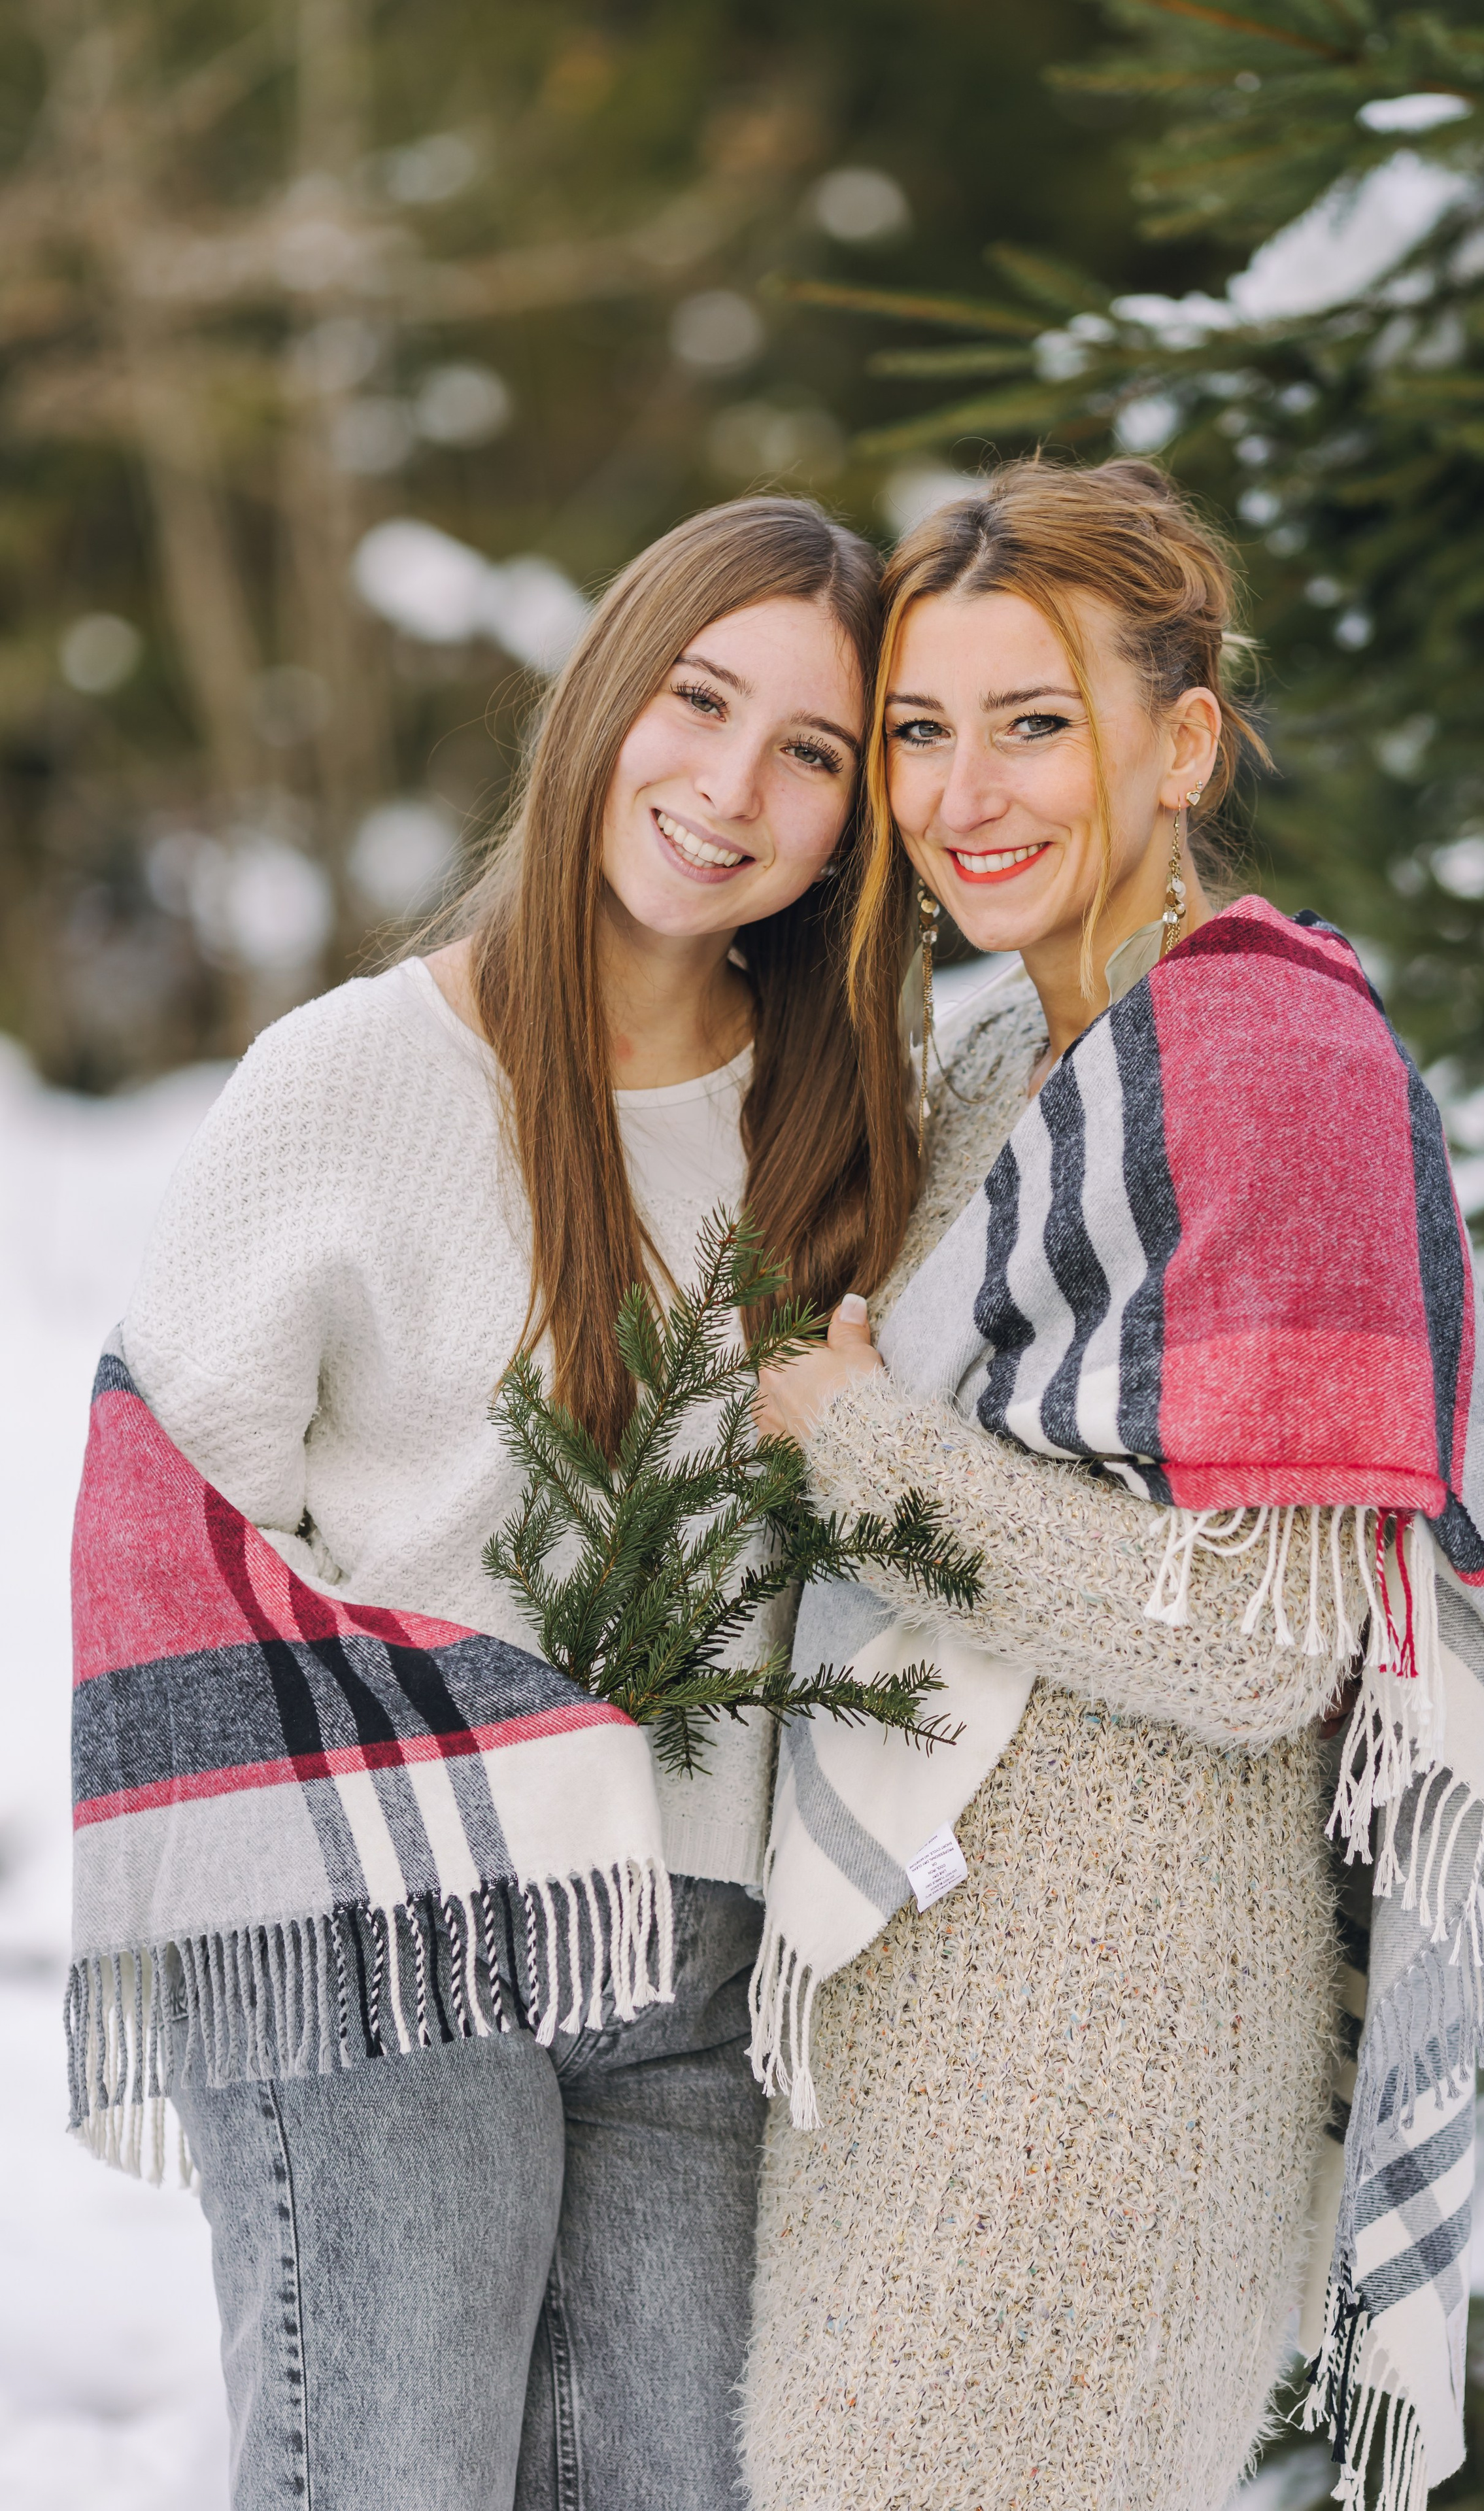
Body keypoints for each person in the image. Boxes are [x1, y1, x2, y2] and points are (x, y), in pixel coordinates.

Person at [76, 496, 914, 2511]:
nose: (732, 787)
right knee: (388, 2475)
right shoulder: (348, 1079)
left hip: (697, 1962)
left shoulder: (849, 1120)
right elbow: (165, 1526)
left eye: (810, 753)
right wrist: (464, 1760)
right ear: (605, 697)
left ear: (854, 821)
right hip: (391, 1925)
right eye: (700, 702)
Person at [743, 458, 1484, 2511]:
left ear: (1182, 743)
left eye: (1034, 723)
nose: (962, 792)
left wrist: (862, 1453)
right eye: (922, 730)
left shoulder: (1273, 1066)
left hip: (1109, 2049)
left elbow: (1270, 1638)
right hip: (926, 2013)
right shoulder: (1009, 1058)